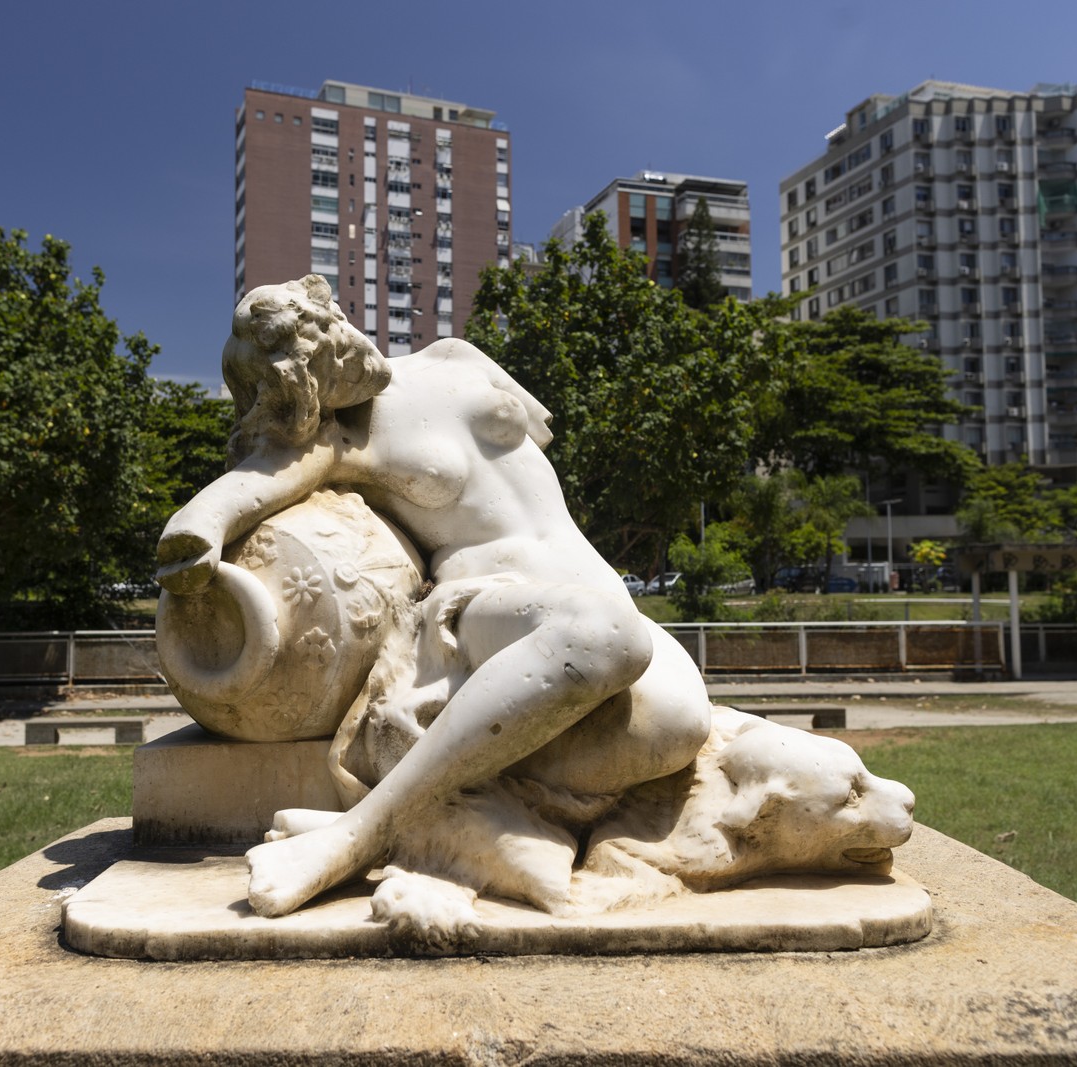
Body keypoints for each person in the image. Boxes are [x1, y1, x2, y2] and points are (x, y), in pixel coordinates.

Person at [157, 275, 712, 918]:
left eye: (320, 345)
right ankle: (356, 836)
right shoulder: (333, 443)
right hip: (493, 605)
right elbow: (247, 487)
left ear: (332, 320)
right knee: (607, 636)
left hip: (591, 585)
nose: (325, 371)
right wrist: (197, 529)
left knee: (676, 726)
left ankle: (422, 808)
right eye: (297, 379)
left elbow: (540, 436)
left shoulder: (453, 356)